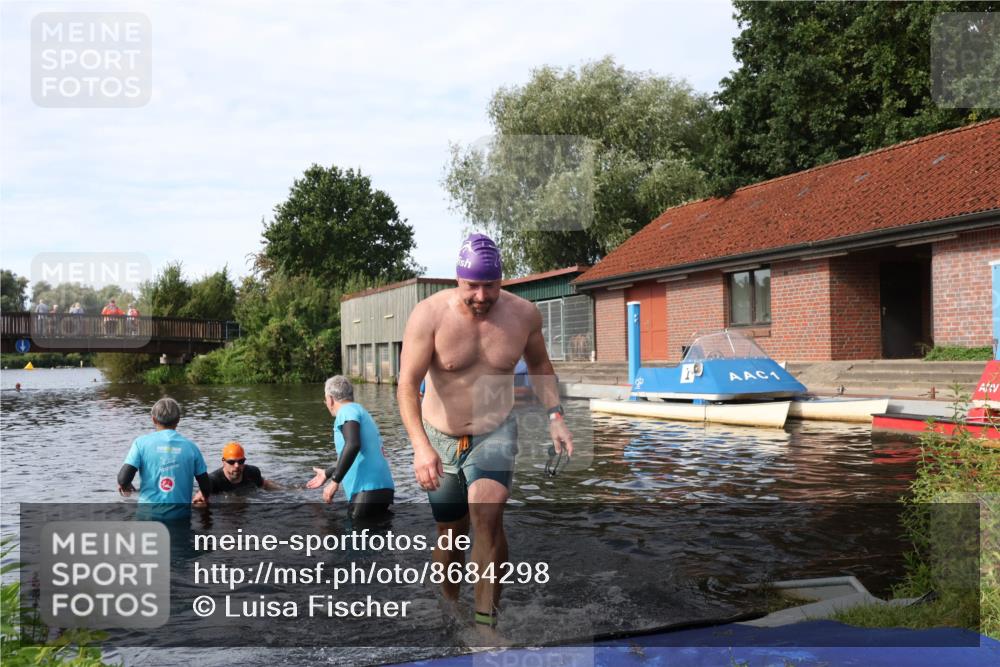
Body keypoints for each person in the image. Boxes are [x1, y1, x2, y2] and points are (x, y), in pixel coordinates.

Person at [397, 233, 573, 632]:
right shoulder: (428, 315)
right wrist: (420, 448)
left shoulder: (523, 315)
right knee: (451, 531)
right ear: (457, 279)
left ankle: (484, 624)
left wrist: (555, 415)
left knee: (487, 514)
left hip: (495, 430)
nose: (480, 295)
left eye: (489, 285)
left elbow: (541, 367)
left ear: (502, 280)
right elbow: (407, 384)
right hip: (439, 435)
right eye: (471, 286)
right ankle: (449, 605)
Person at [306, 375, 395, 521]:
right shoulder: (360, 411)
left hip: (366, 491)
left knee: (354, 541)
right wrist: (328, 473)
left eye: (325, 400)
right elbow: (356, 454)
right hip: (382, 489)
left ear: (330, 399)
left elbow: (353, 445)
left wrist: (334, 482)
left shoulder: (346, 412)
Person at [117, 397, 211, 520]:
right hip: (179, 518)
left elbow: (123, 479)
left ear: (153, 419)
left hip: (147, 517)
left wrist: (125, 485)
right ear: (178, 420)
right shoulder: (191, 448)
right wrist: (203, 496)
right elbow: (205, 484)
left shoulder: (140, 444)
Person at [193, 441, 277, 502]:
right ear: (224, 462)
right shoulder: (214, 480)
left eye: (241, 461)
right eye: (231, 462)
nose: (237, 466)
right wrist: (201, 496)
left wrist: (286, 491)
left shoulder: (253, 472)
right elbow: (203, 491)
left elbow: (264, 484)